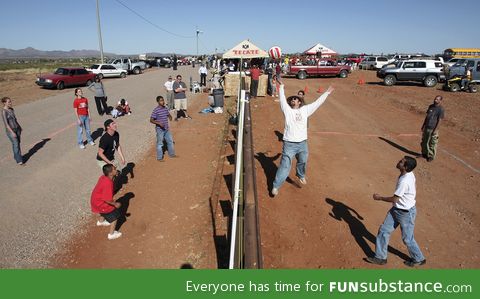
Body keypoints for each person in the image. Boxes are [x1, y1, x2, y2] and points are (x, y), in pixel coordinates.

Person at [271, 81, 334, 196]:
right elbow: (282, 98)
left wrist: (327, 93)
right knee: (285, 166)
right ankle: (276, 186)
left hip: (302, 143)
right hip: (289, 144)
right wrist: (282, 87)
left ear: (300, 102)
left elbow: (317, 103)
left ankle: (300, 175)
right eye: (292, 99)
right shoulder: (287, 110)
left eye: (296, 99)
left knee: (303, 161)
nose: (293, 100)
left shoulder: (305, 110)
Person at [366, 156, 426, 267]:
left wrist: (379, 198)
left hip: (405, 213)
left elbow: (395, 199)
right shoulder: (408, 173)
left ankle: (419, 258)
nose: (398, 161)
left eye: (401, 162)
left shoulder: (404, 181)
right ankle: (380, 257)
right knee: (383, 231)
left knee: (407, 239)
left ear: (406, 167)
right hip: (397, 210)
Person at [90, 163, 122, 240]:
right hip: (100, 203)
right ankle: (111, 234)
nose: (116, 169)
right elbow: (107, 200)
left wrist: (115, 175)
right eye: (114, 169)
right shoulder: (108, 183)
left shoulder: (103, 177)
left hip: (94, 200)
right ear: (110, 173)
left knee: (103, 211)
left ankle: (101, 222)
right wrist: (115, 204)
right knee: (114, 217)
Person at [150, 96, 176, 161]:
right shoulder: (156, 110)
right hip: (160, 130)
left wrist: (170, 117)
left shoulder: (165, 108)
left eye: (163, 100)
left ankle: (172, 154)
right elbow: (151, 120)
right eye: (161, 101)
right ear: (158, 102)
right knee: (160, 143)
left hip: (166, 129)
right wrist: (158, 123)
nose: (163, 102)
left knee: (170, 141)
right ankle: (159, 157)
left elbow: (168, 114)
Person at [420, 95, 444, 162]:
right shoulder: (431, 106)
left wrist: (435, 130)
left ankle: (431, 156)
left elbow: (440, 120)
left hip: (433, 128)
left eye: (437, 99)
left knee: (432, 143)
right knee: (424, 141)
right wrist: (423, 125)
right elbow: (427, 117)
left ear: (440, 101)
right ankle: (424, 154)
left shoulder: (441, 109)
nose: (435, 100)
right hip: (427, 127)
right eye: (435, 99)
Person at [1, 97, 23, 165]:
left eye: (10, 101)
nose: (10, 103)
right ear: (4, 103)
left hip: (17, 129)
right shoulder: (4, 112)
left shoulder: (11, 109)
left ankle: (17, 156)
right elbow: (6, 124)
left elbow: (15, 120)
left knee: (18, 143)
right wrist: (12, 132)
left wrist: (20, 127)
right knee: (15, 145)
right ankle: (19, 161)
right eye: (9, 102)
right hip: (11, 131)